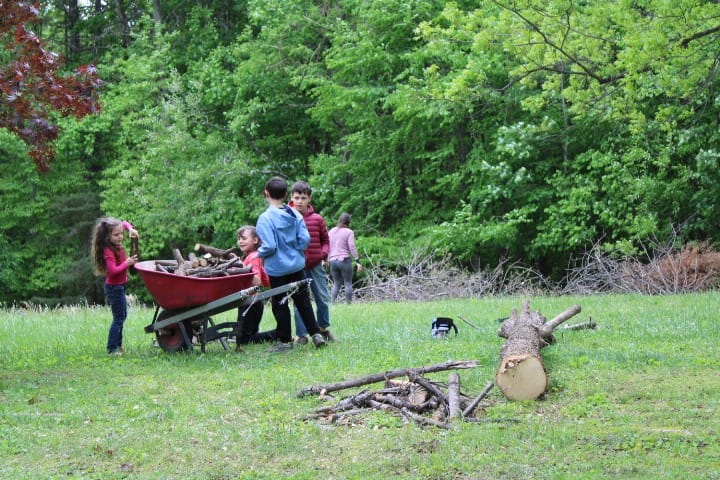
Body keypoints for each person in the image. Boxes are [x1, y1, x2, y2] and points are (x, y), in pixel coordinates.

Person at [255, 176, 327, 352]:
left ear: (266, 193)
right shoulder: (294, 213)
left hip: (277, 269)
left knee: (280, 304)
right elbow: (305, 239)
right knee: (303, 301)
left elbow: (270, 245)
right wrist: (294, 250)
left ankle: (286, 341)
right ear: (286, 194)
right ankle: (316, 334)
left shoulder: (265, 218)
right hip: (297, 265)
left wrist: (258, 253)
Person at [289, 181, 335, 344]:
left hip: (315, 264)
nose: (300, 201)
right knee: (299, 302)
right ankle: (302, 335)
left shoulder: (317, 219)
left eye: (303, 197)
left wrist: (323, 254)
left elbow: (326, 240)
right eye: (296, 197)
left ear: (309, 199)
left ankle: (323, 328)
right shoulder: (287, 218)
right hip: (296, 266)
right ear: (291, 198)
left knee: (322, 297)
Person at [90, 217, 139, 355]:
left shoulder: (117, 238)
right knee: (118, 318)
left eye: (121, 234)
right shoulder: (108, 251)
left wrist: (130, 229)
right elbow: (112, 271)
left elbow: (123, 223)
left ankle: (118, 345)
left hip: (120, 286)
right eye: (116, 235)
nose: (120, 237)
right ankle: (112, 348)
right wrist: (127, 263)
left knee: (122, 315)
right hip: (114, 288)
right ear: (107, 236)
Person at [234, 225, 278, 350]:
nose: (240, 241)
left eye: (243, 238)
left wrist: (240, 266)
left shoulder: (253, 257)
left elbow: (257, 281)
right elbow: (266, 280)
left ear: (255, 240)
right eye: (239, 239)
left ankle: (278, 334)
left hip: (251, 302)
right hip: (252, 302)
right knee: (248, 336)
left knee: (243, 340)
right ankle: (279, 333)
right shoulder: (251, 256)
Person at [328, 212, 362, 303]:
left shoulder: (331, 231)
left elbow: (327, 245)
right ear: (348, 222)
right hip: (344, 260)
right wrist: (357, 260)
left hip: (332, 261)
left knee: (336, 283)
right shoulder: (349, 232)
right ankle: (348, 304)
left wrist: (327, 259)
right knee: (347, 283)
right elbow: (352, 246)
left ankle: (332, 303)